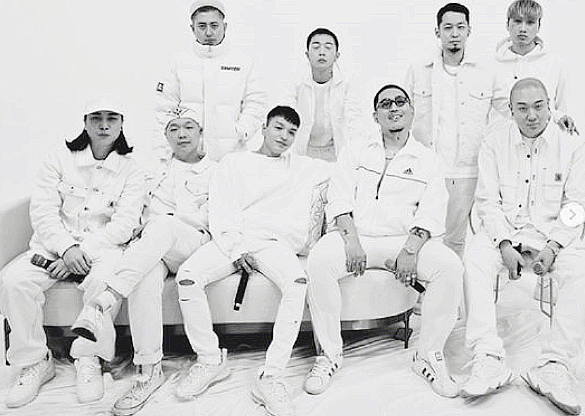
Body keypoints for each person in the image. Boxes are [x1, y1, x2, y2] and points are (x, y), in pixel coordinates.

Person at [304, 84, 463, 398]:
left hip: (402, 240)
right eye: (385, 104)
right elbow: (339, 198)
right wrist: (351, 241)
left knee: (450, 266)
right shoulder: (356, 150)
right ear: (375, 115)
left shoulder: (428, 160)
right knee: (319, 261)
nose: (394, 108)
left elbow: (431, 212)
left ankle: (428, 355)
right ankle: (329, 355)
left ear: (411, 111)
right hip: (356, 236)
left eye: (400, 102)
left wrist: (410, 250)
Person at [173, 106, 330, 416]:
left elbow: (345, 170)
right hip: (233, 237)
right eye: (279, 128)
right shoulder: (234, 162)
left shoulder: (301, 167)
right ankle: (210, 360)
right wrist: (235, 249)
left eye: (291, 132)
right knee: (187, 277)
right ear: (264, 128)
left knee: (298, 282)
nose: (284, 137)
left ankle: (271, 375)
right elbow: (221, 210)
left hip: (272, 243)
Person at [0, 97, 145, 408]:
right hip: (53, 246)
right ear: (85, 122)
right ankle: (35, 361)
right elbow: (42, 211)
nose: (104, 125)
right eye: (96, 118)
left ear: (122, 123)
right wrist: (66, 249)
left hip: (102, 249)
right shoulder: (58, 159)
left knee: (104, 282)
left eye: (111, 118)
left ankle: (89, 358)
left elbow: (124, 224)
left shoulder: (131, 170)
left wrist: (81, 253)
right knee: (14, 282)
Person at [71, 107, 216, 415]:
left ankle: (106, 297)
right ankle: (149, 369)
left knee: (162, 225)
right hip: (153, 246)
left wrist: (155, 227)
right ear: (166, 136)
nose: (181, 134)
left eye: (189, 127)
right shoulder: (152, 169)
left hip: (193, 244)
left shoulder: (216, 170)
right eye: (174, 128)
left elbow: (219, 217)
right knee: (144, 277)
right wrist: (139, 227)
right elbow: (134, 207)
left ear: (200, 132)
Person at [461, 78, 585, 415]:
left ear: (549, 106)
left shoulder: (572, 143)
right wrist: (503, 244)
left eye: (538, 106)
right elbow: (487, 201)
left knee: (581, 273)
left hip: (551, 237)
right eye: (522, 108)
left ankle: (554, 365)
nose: (532, 115)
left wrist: (554, 246)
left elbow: (576, 205)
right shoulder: (494, 142)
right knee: (475, 258)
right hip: (506, 232)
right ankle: (488, 356)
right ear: (510, 110)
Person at [405, 2, 503, 258]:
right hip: (427, 166)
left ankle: (453, 283)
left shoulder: (486, 71)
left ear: (469, 30)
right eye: (448, 27)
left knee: (455, 239)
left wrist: (556, 116)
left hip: (466, 170)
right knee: (421, 232)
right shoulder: (419, 69)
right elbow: (403, 112)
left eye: (460, 27)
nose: (454, 33)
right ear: (437, 31)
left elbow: (511, 108)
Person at [153, 0, 268, 161]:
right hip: (187, 156)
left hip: (230, 156)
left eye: (214, 25)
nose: (208, 32)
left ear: (224, 27)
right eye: (202, 26)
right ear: (192, 28)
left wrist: (241, 131)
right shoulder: (178, 63)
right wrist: (172, 143)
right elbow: (164, 108)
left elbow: (256, 103)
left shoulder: (244, 63)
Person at [492, 0, 578, 134]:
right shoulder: (491, 64)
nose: (523, 28)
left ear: (538, 26)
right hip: (500, 141)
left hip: (543, 140)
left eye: (530, 22)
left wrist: (561, 118)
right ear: (507, 24)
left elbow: (562, 110)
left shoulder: (554, 63)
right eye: (517, 21)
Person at [281, 27, 364, 162]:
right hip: (302, 147)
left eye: (328, 47)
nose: (321, 52)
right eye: (316, 47)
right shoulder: (295, 78)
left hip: (336, 149)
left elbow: (354, 118)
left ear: (337, 56)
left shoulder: (348, 81)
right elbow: (285, 113)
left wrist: (359, 153)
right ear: (307, 55)